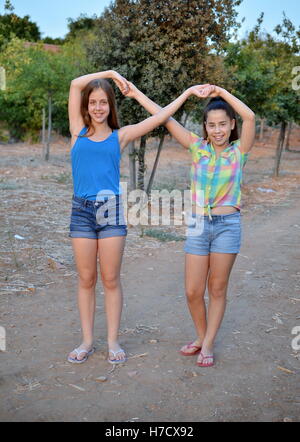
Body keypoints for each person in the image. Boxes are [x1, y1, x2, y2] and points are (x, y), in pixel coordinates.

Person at [67, 69, 212, 364]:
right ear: (86, 106)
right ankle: (86, 341)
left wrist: (185, 93)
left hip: (110, 210)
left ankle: (112, 342)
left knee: (110, 278)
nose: (97, 107)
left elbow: (159, 119)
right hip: (81, 210)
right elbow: (74, 84)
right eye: (93, 102)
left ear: (110, 106)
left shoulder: (121, 136)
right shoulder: (76, 130)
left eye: (103, 102)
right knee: (86, 278)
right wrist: (109, 73)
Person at [123, 81, 255, 367]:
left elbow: (250, 117)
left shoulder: (239, 152)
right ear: (205, 126)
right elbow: (165, 117)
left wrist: (221, 93)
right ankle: (200, 335)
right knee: (193, 291)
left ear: (231, 125)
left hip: (227, 225)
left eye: (223, 124)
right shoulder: (197, 148)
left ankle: (207, 344)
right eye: (211, 125)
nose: (217, 130)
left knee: (217, 289)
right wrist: (137, 94)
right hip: (198, 223)